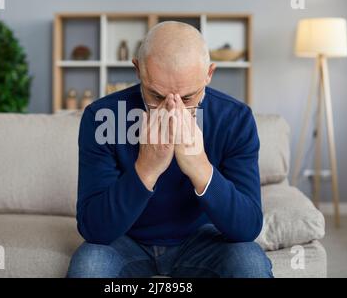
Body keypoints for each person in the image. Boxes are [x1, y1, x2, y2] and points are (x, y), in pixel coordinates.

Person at [66, 21, 273, 278]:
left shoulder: (236, 119)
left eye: (187, 98)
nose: (172, 110)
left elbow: (247, 228)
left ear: (209, 74)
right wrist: (146, 168)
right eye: (156, 95)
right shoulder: (102, 117)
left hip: (202, 241)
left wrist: (200, 168)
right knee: (89, 266)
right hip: (125, 239)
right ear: (138, 69)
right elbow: (94, 229)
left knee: (250, 264)